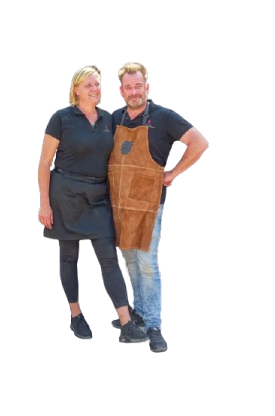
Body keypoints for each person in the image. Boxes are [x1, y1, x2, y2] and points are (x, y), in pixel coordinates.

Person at [37, 65, 149, 344]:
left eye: (97, 84)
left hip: (98, 196)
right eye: (88, 85)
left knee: (109, 258)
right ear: (76, 89)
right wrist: (44, 204)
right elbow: (44, 163)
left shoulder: (108, 118)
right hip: (65, 195)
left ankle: (126, 323)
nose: (95, 89)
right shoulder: (61, 118)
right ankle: (76, 315)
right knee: (69, 257)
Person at [108, 62, 209, 353]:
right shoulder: (113, 118)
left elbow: (199, 142)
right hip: (119, 205)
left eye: (138, 86)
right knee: (129, 260)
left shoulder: (164, 117)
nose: (134, 92)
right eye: (128, 87)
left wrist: (173, 173)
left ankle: (154, 325)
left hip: (148, 205)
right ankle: (138, 313)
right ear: (121, 91)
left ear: (147, 87)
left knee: (147, 264)